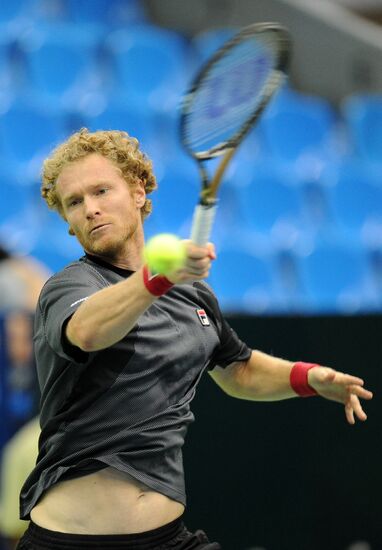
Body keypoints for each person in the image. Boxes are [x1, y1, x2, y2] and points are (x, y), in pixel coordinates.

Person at [17, 128, 373, 550]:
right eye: (74, 202)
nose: (90, 209)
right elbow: (88, 332)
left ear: (137, 192)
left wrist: (307, 377)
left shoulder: (191, 293)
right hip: (73, 542)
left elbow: (237, 368)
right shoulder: (69, 286)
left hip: (169, 538)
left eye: (101, 191)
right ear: (68, 223)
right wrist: (157, 278)